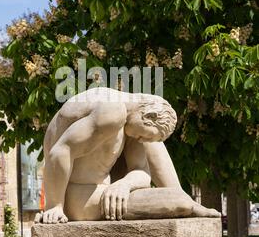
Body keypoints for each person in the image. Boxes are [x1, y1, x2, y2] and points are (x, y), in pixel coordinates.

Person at [35, 87, 220, 223]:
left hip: (103, 189)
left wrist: (124, 184)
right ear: (150, 115)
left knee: (153, 143)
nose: (141, 139)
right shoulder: (112, 112)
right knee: (175, 202)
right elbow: (60, 151)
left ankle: (184, 197)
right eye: (144, 134)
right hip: (79, 199)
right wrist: (54, 206)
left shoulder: (129, 116)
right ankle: (185, 201)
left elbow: (141, 172)